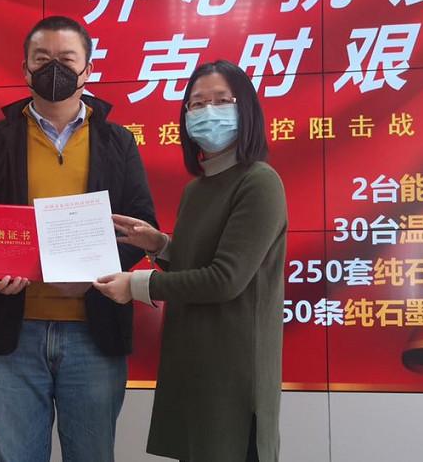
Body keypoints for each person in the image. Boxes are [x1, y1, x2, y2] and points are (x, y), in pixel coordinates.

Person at [0, 15, 158, 462]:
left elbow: (140, 225)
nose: (54, 69)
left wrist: (95, 272)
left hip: (94, 332)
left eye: (67, 60)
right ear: (25, 68)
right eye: (42, 59)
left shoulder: (118, 141)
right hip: (12, 334)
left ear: (87, 69)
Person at [94, 60, 288, 462]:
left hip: (234, 371)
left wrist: (136, 285)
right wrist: (160, 245)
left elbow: (224, 279)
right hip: (192, 363)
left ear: (246, 109)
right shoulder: (196, 189)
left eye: (221, 101)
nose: (208, 112)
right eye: (197, 104)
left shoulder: (259, 181)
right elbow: (195, 265)